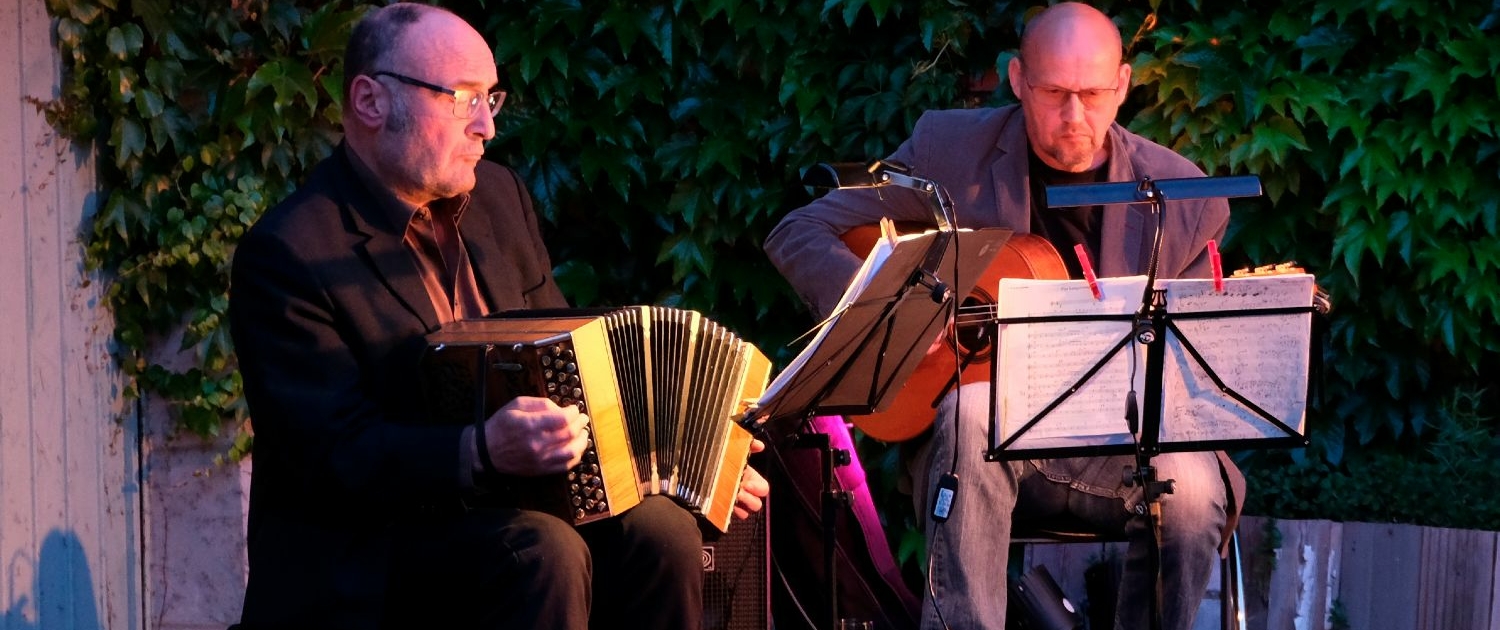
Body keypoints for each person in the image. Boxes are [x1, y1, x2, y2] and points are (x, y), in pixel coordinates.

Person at [227, 4, 768, 629]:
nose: (486, 126)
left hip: (518, 512)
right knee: (542, 550)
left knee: (663, 530)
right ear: (371, 101)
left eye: (492, 98)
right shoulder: (289, 251)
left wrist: (692, 457)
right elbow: (333, 456)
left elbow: (571, 360)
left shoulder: (498, 198)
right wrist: (478, 450)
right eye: (462, 99)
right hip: (369, 547)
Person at [763, 3, 1244, 629]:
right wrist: (896, 308)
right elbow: (802, 227)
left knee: (1194, 485)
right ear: (1018, 80)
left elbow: (1187, 386)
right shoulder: (950, 153)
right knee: (971, 405)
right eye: (1053, 93)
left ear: (1123, 84)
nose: (1075, 116)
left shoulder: (1181, 197)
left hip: (1117, 449)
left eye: (1093, 94)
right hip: (981, 448)